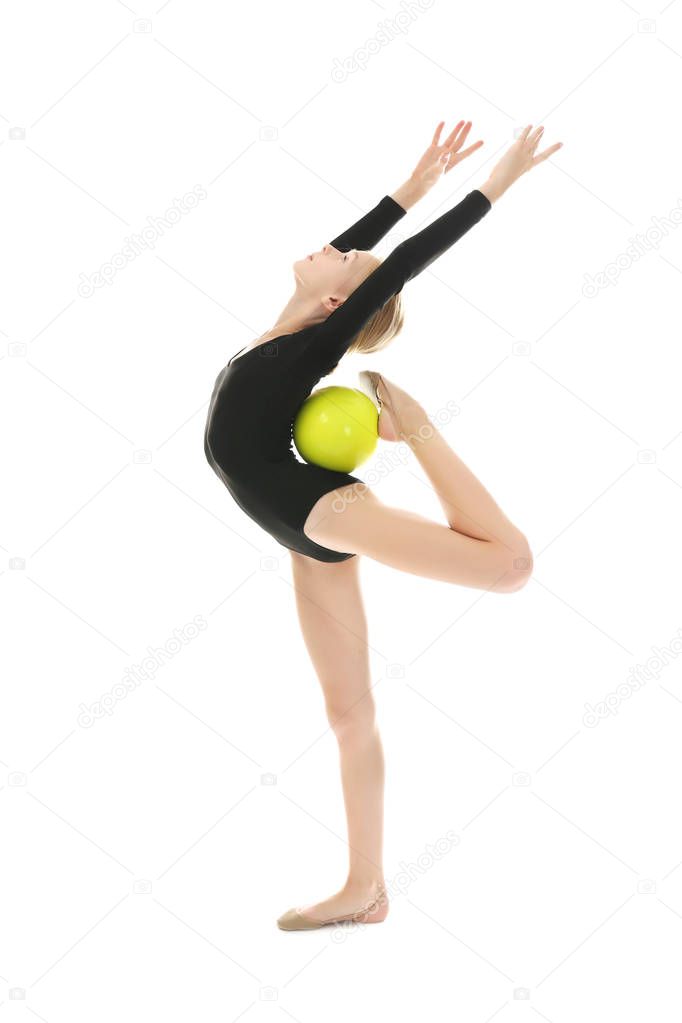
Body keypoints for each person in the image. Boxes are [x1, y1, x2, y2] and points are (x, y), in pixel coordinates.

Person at [203, 121, 562, 930]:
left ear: (338, 302)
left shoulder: (309, 348)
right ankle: (365, 889)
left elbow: (394, 264)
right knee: (348, 714)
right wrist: (410, 187)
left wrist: (493, 186)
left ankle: (422, 428)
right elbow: (364, 249)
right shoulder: (293, 321)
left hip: (319, 506)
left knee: (508, 565)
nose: (330, 248)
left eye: (342, 261)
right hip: (295, 527)